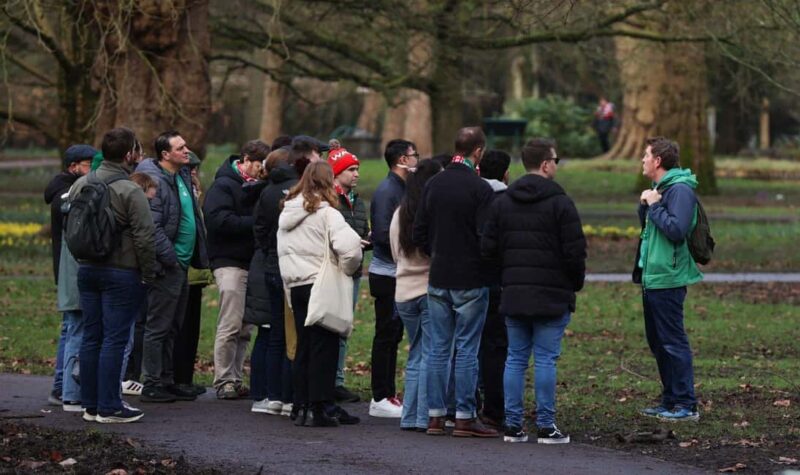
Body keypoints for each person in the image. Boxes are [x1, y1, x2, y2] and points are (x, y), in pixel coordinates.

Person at [482, 139, 587, 444]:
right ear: (545, 164)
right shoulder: (561, 204)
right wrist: (573, 284)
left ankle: (513, 425)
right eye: (556, 159)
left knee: (515, 358)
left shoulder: (502, 203)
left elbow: (488, 249)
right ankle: (546, 425)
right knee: (545, 359)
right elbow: (575, 252)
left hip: (513, 292)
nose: (557, 164)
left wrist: (506, 275)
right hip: (552, 295)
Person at [412, 126, 497, 438]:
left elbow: (418, 232)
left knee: (437, 348)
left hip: (439, 275)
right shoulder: (480, 189)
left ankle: (434, 416)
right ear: (478, 152)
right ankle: (463, 415)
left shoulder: (433, 184)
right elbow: (486, 238)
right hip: (470, 278)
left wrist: (436, 252)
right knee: (466, 349)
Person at [71, 127, 156, 423]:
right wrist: (148, 274)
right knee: (115, 339)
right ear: (130, 155)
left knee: (91, 336)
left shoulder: (82, 183)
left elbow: (73, 225)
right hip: (122, 271)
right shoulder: (130, 190)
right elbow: (145, 238)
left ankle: (90, 405)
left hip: (87, 268)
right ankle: (109, 406)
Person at [277, 161, 362, 427]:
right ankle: (320, 406)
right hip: (320, 283)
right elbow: (350, 250)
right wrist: (347, 269)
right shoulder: (328, 214)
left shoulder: (287, 213)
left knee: (303, 345)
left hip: (295, 284)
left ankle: (300, 404)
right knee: (324, 347)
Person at [136, 130, 209, 403]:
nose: (186, 150)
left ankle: (167, 379)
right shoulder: (155, 180)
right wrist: (171, 259)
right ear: (165, 154)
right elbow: (151, 228)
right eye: (180, 147)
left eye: (186, 144)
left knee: (173, 326)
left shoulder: (180, 176)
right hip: (167, 265)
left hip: (181, 264)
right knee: (158, 326)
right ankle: (152, 382)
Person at [635, 137, 703, 422]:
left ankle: (686, 405)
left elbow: (676, 230)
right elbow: (651, 232)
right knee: (658, 342)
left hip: (669, 279)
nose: (642, 160)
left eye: (645, 155)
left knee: (673, 342)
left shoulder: (681, 190)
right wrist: (647, 204)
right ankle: (669, 400)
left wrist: (653, 205)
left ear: (658, 161)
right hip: (653, 278)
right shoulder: (660, 189)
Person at [203, 140, 270, 399]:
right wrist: (254, 224)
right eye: (257, 165)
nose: (260, 171)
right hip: (228, 260)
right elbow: (218, 220)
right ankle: (223, 379)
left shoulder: (258, 187)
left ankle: (236, 377)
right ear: (245, 160)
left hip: (249, 262)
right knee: (230, 323)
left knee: (245, 327)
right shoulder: (224, 185)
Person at [389, 159, 442, 431]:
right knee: (430, 353)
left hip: (403, 290)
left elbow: (393, 250)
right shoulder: (431, 213)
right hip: (427, 288)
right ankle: (423, 415)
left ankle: (409, 415)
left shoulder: (399, 213)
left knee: (415, 353)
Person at [368, 139, 419, 418]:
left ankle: (388, 393)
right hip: (387, 273)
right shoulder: (389, 191)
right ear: (401, 159)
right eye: (413, 155)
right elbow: (383, 233)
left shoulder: (400, 188)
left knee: (393, 334)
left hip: (395, 272)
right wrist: (407, 254)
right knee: (386, 335)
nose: (416, 160)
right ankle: (380, 395)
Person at [44, 144, 95, 406]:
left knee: (70, 328)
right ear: (73, 167)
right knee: (75, 328)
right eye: (88, 164)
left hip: (67, 269)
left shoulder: (63, 191)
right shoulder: (66, 194)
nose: (92, 169)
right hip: (71, 270)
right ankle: (66, 389)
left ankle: (60, 386)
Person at [248, 147, 295, 415]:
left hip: (270, 264)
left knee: (273, 332)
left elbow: (260, 230)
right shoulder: (294, 190)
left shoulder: (265, 191)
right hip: (286, 266)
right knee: (287, 333)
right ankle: (286, 395)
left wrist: (269, 252)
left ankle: (272, 395)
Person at [328, 147, 370, 403]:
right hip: (333, 272)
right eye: (351, 170)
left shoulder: (358, 200)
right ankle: (328, 380)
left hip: (353, 272)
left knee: (345, 327)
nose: (356, 174)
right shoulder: (330, 201)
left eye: (356, 169)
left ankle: (338, 380)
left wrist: (366, 240)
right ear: (336, 173)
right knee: (330, 326)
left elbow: (362, 230)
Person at [475, 149, 511, 429]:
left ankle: (467, 403)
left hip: (471, 278)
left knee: (469, 344)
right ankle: (495, 406)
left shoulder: (471, 197)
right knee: (497, 346)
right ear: (506, 172)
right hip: (499, 280)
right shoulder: (506, 201)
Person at [173, 152, 214, 396]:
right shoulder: (180, 193)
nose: (195, 174)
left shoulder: (195, 194)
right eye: (191, 170)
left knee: (191, 329)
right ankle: (177, 378)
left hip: (195, 272)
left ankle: (185, 377)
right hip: (182, 269)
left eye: (196, 170)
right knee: (180, 327)